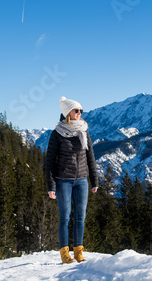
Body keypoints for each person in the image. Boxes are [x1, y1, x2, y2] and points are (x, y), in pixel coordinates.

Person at [46, 96, 99, 264]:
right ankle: (65, 254)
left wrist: (94, 180)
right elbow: (49, 162)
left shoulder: (84, 131)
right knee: (65, 217)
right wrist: (51, 185)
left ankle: (79, 252)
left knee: (80, 217)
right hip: (63, 181)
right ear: (68, 112)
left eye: (81, 111)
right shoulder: (57, 133)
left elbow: (90, 156)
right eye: (77, 110)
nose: (80, 113)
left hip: (82, 180)